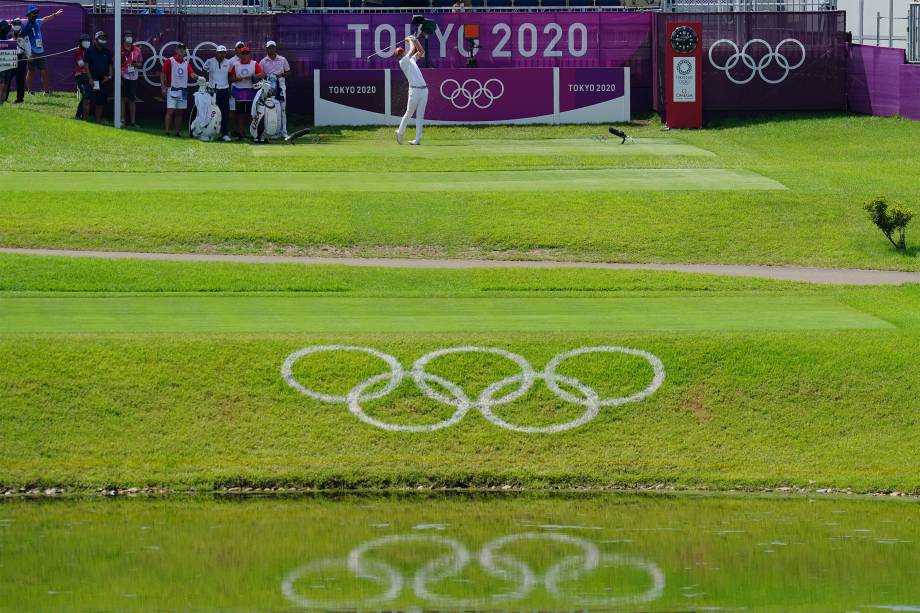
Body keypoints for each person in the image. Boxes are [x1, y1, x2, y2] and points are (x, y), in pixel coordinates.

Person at [20, 4, 64, 96]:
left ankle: (46, 92)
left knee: (44, 71)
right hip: (31, 52)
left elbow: (45, 19)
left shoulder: (37, 22)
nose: (36, 14)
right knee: (31, 72)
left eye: (37, 12)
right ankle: (30, 92)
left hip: (41, 52)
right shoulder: (25, 25)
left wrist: (55, 14)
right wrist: (28, 54)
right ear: (28, 14)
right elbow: (21, 41)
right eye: (34, 12)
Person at [394, 36, 426, 146]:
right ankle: (400, 132)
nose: (401, 53)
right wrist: (410, 40)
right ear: (398, 57)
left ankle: (417, 139)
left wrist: (415, 40)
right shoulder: (403, 62)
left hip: (424, 90)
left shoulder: (411, 60)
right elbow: (412, 50)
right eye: (399, 53)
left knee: (420, 116)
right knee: (409, 113)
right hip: (414, 91)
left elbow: (421, 51)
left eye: (401, 52)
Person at [160, 41, 196, 137]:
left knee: (180, 113)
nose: (181, 50)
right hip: (172, 89)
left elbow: (192, 74)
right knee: (170, 111)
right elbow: (163, 73)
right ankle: (167, 131)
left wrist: (200, 78)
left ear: (185, 51)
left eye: (183, 49)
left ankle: (177, 132)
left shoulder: (186, 63)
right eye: (180, 49)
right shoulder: (170, 61)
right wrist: (163, 87)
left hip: (183, 91)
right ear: (176, 50)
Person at [228, 46, 263, 140]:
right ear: (240, 54)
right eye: (243, 53)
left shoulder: (254, 63)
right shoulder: (235, 64)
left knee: (251, 114)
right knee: (240, 114)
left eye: (247, 53)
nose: (245, 55)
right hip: (239, 92)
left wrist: (253, 76)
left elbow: (262, 74)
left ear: (249, 54)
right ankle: (241, 134)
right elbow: (231, 78)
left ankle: (253, 133)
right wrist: (237, 79)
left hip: (251, 91)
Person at [258, 40, 290, 138]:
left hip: (280, 89)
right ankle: (273, 132)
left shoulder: (282, 59)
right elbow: (260, 76)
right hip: (269, 91)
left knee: (282, 110)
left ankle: (284, 132)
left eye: (273, 47)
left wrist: (282, 74)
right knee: (271, 111)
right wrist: (265, 77)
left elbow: (288, 72)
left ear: (275, 48)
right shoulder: (263, 61)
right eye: (269, 47)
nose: (271, 49)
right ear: (266, 49)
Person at [202, 44, 232, 141]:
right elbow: (204, 69)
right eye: (220, 52)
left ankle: (225, 134)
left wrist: (229, 88)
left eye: (224, 53)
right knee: (211, 113)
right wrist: (207, 81)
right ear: (216, 53)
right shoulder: (210, 61)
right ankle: (209, 132)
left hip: (224, 91)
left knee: (225, 113)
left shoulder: (228, 62)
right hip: (212, 92)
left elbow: (230, 76)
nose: (222, 54)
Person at [83, 31, 113, 123]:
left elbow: (110, 65)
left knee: (100, 102)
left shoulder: (107, 52)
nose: (103, 39)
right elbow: (86, 65)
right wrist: (90, 78)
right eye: (101, 38)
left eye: (104, 38)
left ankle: (98, 122)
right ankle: (85, 121)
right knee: (87, 100)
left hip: (103, 80)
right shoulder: (89, 51)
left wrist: (110, 76)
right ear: (96, 39)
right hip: (91, 79)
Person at [120, 31, 142, 127]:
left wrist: (135, 64)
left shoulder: (137, 50)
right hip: (122, 76)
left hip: (133, 76)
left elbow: (140, 64)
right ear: (124, 38)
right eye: (127, 36)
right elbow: (114, 63)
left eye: (131, 36)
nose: (129, 37)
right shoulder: (119, 49)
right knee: (123, 99)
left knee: (132, 99)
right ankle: (122, 120)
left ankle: (133, 122)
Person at [5, 19, 28, 104]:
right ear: (11, 25)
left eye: (18, 23)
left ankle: (20, 99)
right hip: (10, 57)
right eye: (15, 23)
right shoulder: (8, 35)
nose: (16, 25)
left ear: (20, 25)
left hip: (21, 58)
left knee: (20, 79)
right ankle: (4, 97)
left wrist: (28, 55)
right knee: (7, 79)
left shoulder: (24, 35)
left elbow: (27, 46)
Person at [227, 41, 245, 135]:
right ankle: (233, 130)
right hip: (234, 88)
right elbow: (227, 76)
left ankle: (241, 130)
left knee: (242, 110)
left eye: (242, 47)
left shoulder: (247, 60)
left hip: (245, 89)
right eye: (239, 47)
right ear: (235, 49)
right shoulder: (230, 61)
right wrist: (229, 88)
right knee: (232, 110)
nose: (241, 48)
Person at [73, 33, 92, 120]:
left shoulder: (89, 50)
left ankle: (83, 115)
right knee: (85, 95)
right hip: (80, 75)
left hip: (89, 75)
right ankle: (78, 114)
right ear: (81, 42)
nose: (87, 42)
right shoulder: (78, 51)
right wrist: (91, 62)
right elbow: (80, 64)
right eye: (85, 41)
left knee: (87, 96)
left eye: (88, 40)